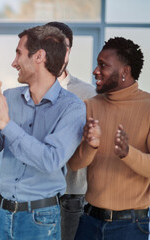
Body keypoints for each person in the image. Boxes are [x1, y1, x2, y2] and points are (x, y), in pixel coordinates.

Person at [0, 25, 86, 240]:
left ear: (39, 56)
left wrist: (7, 124)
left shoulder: (72, 108)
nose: (13, 63)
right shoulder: (8, 97)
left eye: (19, 53)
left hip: (40, 220)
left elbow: (50, 160)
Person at [68, 37, 149, 240]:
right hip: (89, 221)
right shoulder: (90, 105)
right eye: (97, 64)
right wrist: (90, 146)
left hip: (130, 227)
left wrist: (128, 154)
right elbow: (74, 164)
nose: (95, 70)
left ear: (125, 71)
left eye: (103, 65)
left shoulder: (148, 107)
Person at [45, 21, 96, 240]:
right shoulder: (29, 91)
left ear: (69, 50)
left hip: (73, 195)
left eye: (61, 46)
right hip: (37, 194)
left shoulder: (88, 93)